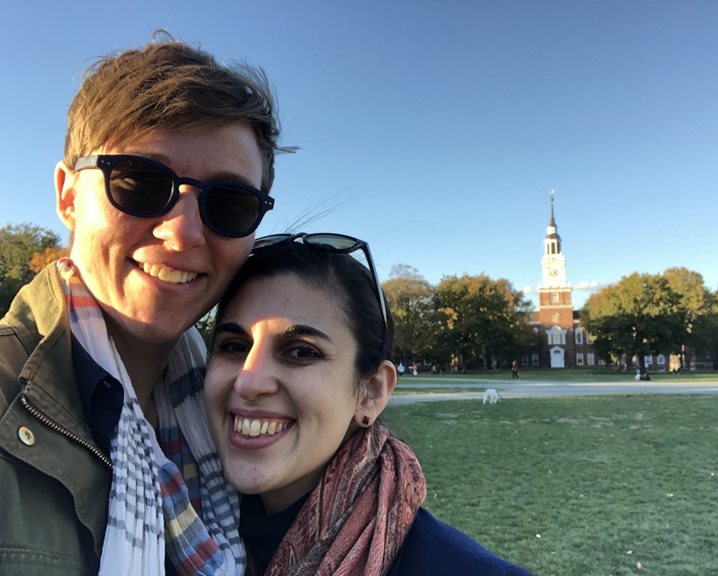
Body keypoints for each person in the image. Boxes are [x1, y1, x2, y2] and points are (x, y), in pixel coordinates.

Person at [0, 34, 289, 575]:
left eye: (228, 203)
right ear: (68, 196)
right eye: (138, 181)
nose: (182, 235)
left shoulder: (234, 407)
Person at [204, 233, 533, 576]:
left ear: (372, 392)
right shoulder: (163, 534)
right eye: (232, 346)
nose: (248, 381)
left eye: (301, 351)